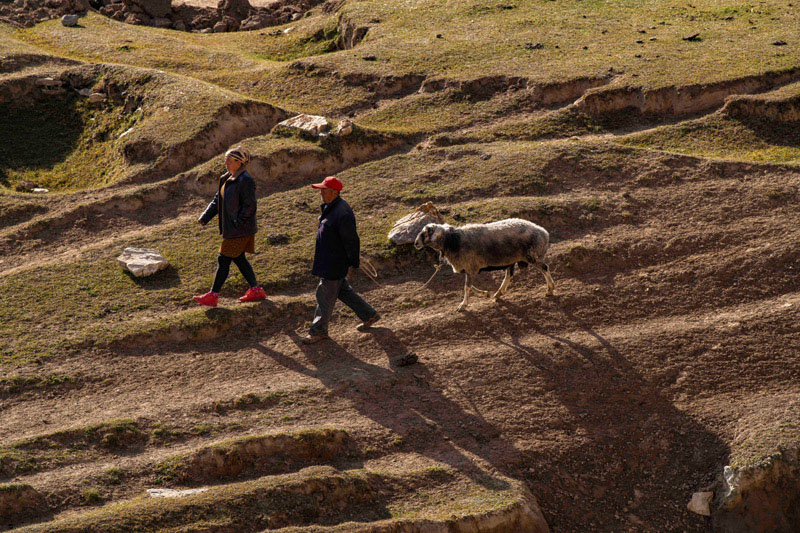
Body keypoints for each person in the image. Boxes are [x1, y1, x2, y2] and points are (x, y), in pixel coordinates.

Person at [301, 176, 380, 344]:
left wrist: (352, 263)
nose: (320, 193)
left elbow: (351, 240)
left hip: (334, 262)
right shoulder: (331, 207)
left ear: (333, 192)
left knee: (324, 296)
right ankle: (369, 315)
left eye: (323, 190)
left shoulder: (342, 212)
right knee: (343, 291)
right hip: (328, 259)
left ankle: (318, 331)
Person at [193, 147, 267, 307]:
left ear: (238, 162)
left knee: (223, 258)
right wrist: (204, 217)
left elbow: (250, 205)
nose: (225, 162)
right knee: (239, 258)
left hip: (240, 229)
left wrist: (238, 222)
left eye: (228, 159)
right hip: (233, 228)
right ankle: (256, 290)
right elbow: (216, 200)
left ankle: (213, 295)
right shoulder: (226, 178)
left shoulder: (245, 180)